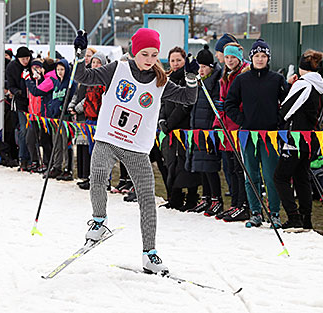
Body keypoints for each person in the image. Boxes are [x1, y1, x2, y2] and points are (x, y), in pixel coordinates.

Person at [73, 28, 198, 273]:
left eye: (154, 54)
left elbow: (188, 98)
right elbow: (83, 77)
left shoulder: (160, 80)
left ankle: (149, 253)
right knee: (97, 179)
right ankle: (99, 222)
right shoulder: (117, 69)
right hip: (108, 138)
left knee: (147, 199)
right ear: (134, 52)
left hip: (137, 147)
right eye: (145, 54)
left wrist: (192, 78)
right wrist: (79, 54)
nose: (150, 59)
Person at [224, 39, 288, 228]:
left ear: (268, 58)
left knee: (270, 175)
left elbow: (287, 104)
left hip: (270, 135)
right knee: (251, 175)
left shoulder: (276, 79)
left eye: (263, 56)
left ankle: (274, 213)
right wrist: (242, 119)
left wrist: (278, 120)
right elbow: (229, 103)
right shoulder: (242, 79)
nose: (260, 59)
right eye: (257, 56)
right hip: (247, 134)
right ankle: (255, 212)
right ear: (251, 58)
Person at [273, 49, 323, 230]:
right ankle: (306, 219)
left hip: (294, 138)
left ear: (301, 67)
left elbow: (286, 110)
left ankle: (294, 217)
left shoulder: (303, 84)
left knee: (280, 177)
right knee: (301, 178)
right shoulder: (318, 84)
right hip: (308, 138)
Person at [210, 43, 251, 221]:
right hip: (226, 127)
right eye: (227, 57)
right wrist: (217, 123)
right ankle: (235, 203)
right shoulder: (224, 77)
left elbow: (240, 102)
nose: (229, 60)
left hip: (238, 127)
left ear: (239, 58)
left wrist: (233, 113)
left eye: (233, 57)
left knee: (239, 168)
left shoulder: (243, 75)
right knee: (231, 168)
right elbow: (221, 100)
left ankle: (243, 205)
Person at [158, 46, 201, 211]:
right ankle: (174, 197)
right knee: (171, 162)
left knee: (186, 162)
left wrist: (170, 123)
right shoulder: (166, 79)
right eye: (172, 60)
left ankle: (191, 198)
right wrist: (162, 119)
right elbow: (162, 101)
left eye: (179, 60)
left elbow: (185, 105)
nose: (176, 64)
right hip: (169, 130)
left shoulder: (189, 78)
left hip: (184, 128)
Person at [187, 44, 223, 216]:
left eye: (204, 67)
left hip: (209, 130)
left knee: (210, 166)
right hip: (198, 129)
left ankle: (216, 198)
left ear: (210, 67)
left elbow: (216, 104)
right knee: (201, 165)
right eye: (199, 67)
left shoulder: (214, 81)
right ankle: (206, 197)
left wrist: (212, 127)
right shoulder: (198, 82)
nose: (201, 70)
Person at [69, 51, 107, 189]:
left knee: (101, 152)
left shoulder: (104, 80)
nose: (95, 65)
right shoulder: (90, 80)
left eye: (98, 62)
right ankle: (92, 178)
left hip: (100, 119)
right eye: (94, 62)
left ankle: (103, 180)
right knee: (92, 150)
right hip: (89, 119)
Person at [6, 46, 33, 171]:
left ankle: (32, 158)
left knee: (32, 130)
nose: (25, 61)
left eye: (27, 58)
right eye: (23, 59)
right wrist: (18, 92)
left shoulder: (32, 65)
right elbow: (10, 84)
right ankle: (23, 158)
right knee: (23, 129)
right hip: (21, 103)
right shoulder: (12, 67)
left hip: (34, 102)